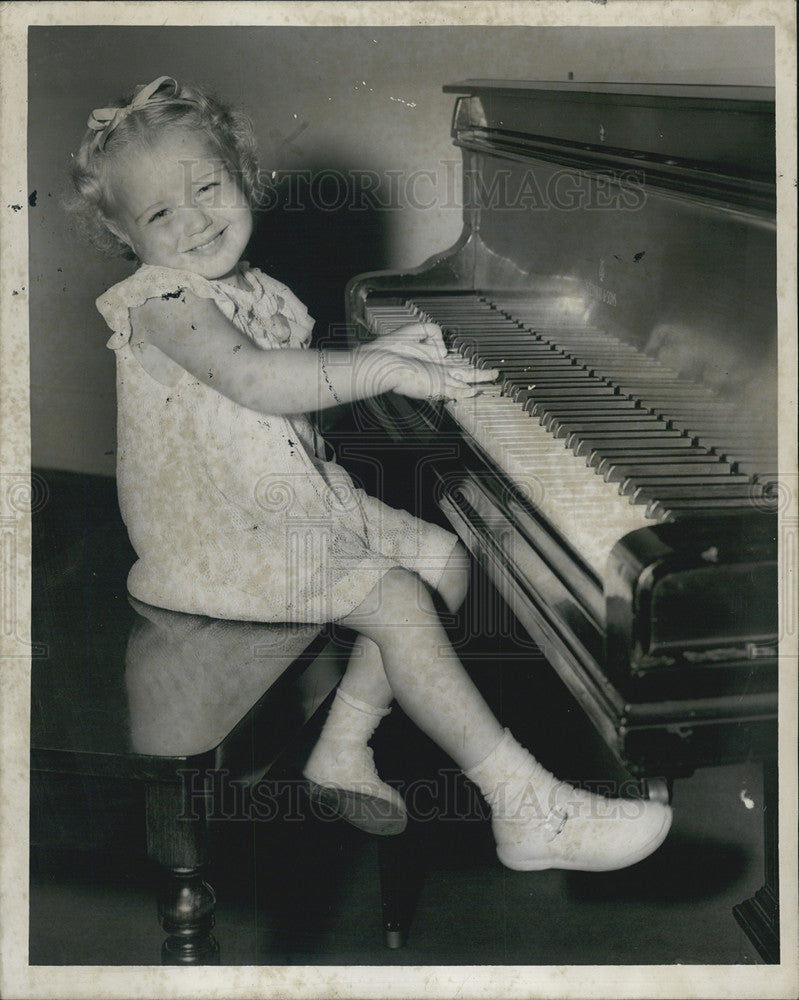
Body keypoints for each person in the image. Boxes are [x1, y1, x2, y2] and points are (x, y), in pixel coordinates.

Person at [70, 76, 672, 872]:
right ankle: (524, 805)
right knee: (392, 598)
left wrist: (387, 360)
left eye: (207, 187)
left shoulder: (264, 295)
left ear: (243, 173)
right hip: (205, 536)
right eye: (157, 215)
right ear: (127, 240)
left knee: (443, 558)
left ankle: (343, 747)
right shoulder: (162, 299)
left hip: (280, 509)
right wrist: (376, 367)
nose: (194, 221)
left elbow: (289, 415)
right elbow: (256, 383)